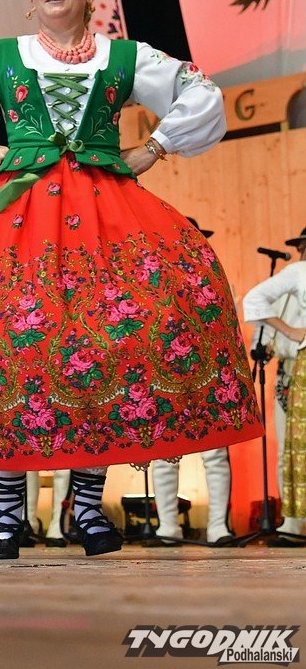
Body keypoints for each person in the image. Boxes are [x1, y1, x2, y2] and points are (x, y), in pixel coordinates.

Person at [0, 0, 262, 561]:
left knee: (103, 343)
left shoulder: (124, 56)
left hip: (107, 211)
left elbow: (202, 95)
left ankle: (87, 507)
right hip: (22, 213)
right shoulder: (2, 56)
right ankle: (8, 512)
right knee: (12, 348)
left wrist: (153, 148)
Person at [151, 218, 236, 546]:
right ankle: (167, 526)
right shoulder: (153, 277)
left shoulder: (212, 276)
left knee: (215, 452)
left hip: (208, 370)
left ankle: (218, 526)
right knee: (165, 452)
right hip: (166, 371)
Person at [242, 226, 306, 547]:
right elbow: (258, 310)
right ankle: (293, 522)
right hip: (292, 371)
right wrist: (284, 335)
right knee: (290, 449)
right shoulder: (293, 278)